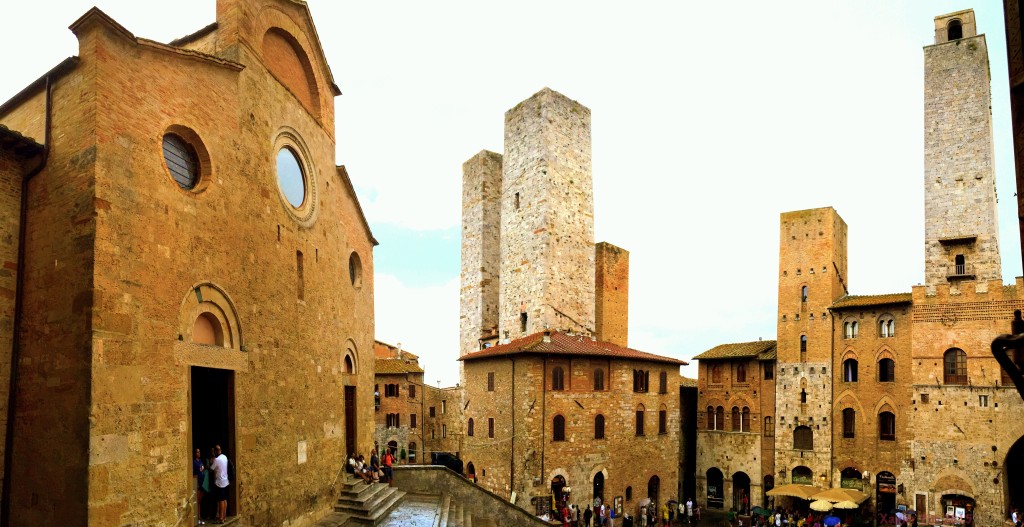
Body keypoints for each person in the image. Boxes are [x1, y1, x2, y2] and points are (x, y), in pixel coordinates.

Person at [211, 445, 229, 524]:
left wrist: (212, 458)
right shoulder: (224, 457)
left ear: (216, 451)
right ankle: (224, 517)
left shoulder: (217, 460)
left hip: (220, 482)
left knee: (221, 500)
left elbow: (211, 468)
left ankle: (220, 518)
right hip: (226, 481)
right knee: (224, 500)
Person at [193, 448, 206, 526]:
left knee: (200, 501)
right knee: (197, 501)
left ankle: (199, 515)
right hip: (197, 483)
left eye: (199, 451)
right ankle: (197, 517)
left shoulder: (200, 461)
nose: (199, 453)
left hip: (202, 483)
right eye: (197, 452)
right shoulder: (194, 462)